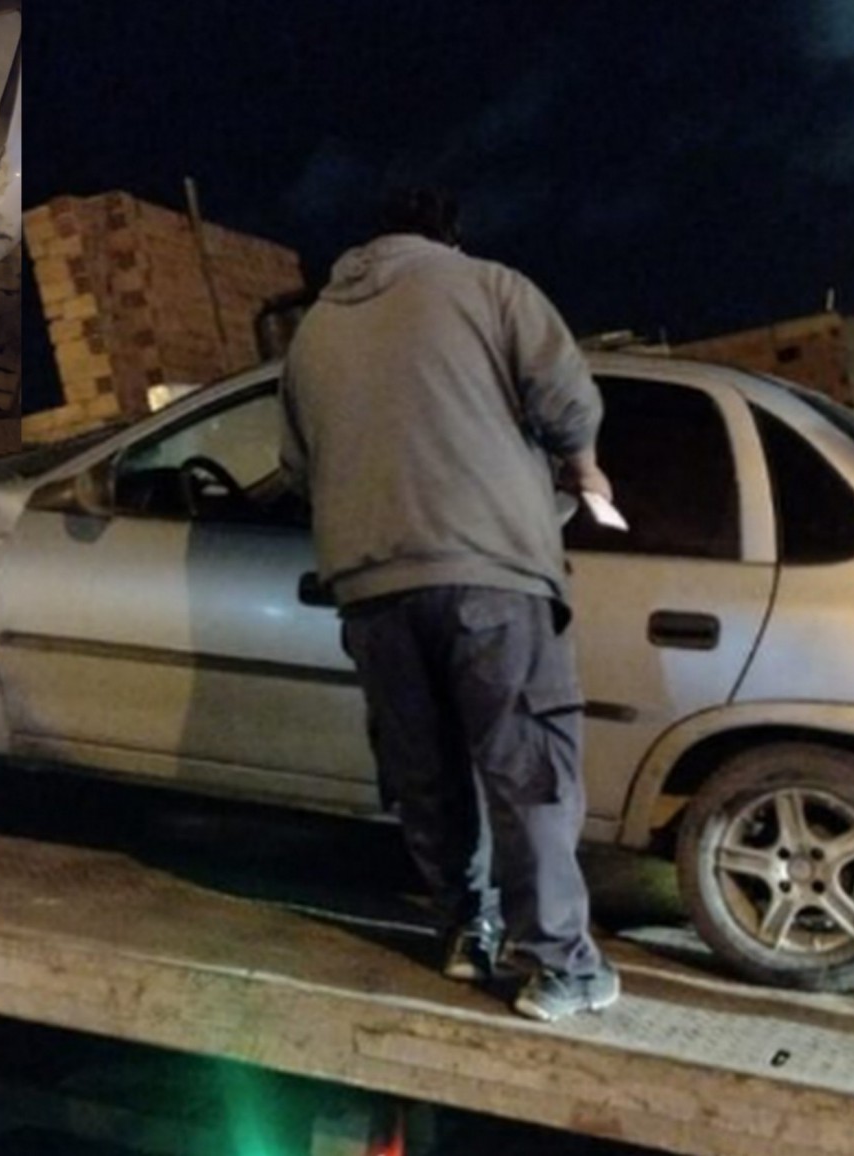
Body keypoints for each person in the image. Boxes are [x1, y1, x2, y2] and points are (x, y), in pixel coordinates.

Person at [277, 187, 619, 1022]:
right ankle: (562, 969)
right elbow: (566, 402)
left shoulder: (312, 333)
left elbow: (296, 468)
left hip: (373, 593)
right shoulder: (492, 288)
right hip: (491, 575)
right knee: (526, 772)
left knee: (426, 777)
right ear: (447, 236)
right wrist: (584, 469)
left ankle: (469, 931)